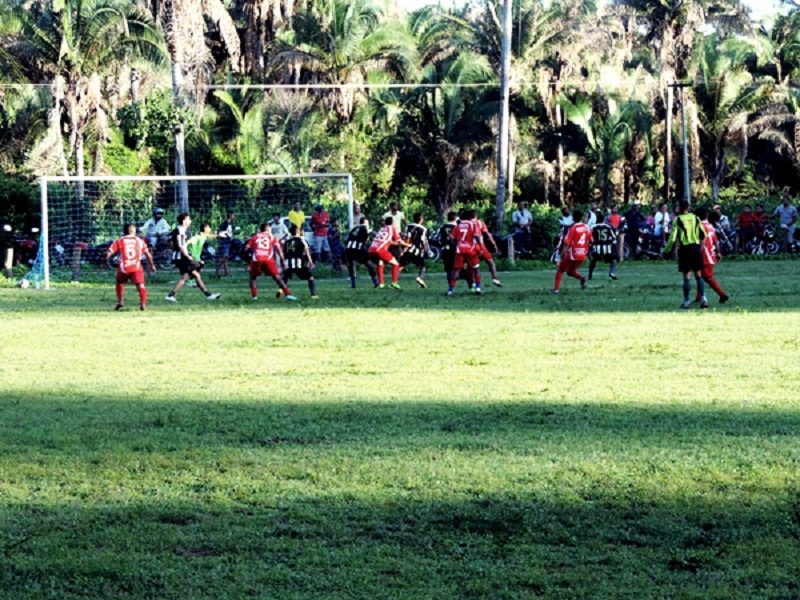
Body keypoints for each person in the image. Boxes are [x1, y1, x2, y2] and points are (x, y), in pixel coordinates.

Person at [165, 213, 221, 303]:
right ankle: (170, 295)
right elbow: (182, 246)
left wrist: (174, 249)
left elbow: (167, 240)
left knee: (195, 275)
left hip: (178, 256)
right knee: (186, 276)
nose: (190, 221)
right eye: (188, 219)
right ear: (184, 221)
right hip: (182, 256)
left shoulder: (177, 230)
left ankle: (208, 295)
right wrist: (189, 257)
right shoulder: (181, 231)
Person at [662, 200, 707, 309]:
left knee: (686, 276)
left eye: (677, 206)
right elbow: (703, 234)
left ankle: (686, 302)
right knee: (698, 275)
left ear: (680, 208)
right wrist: (700, 247)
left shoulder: (677, 220)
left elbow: (672, 238)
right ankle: (704, 299)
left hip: (685, 249)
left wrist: (665, 251)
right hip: (695, 248)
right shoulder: (696, 218)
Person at [105, 223, 156, 311]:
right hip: (136, 267)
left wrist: (105, 259)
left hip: (124, 267)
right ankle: (143, 304)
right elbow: (148, 254)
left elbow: (110, 251)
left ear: (124, 231)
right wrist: (152, 265)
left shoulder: (120, 241)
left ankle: (120, 301)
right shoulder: (140, 241)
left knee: (119, 282)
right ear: (134, 231)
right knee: (141, 285)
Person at [245, 223, 296, 301]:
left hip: (257, 258)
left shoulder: (254, 237)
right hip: (268, 258)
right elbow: (278, 249)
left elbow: (246, 248)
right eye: (270, 228)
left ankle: (254, 297)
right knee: (277, 277)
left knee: (253, 277)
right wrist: (283, 261)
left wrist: (248, 261)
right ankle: (288, 294)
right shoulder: (272, 237)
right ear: (267, 229)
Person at [552, 209, 590, 295]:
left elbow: (566, 244)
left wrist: (560, 257)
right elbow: (590, 240)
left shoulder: (572, 228)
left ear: (573, 218)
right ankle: (582, 278)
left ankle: (556, 290)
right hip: (582, 254)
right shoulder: (586, 228)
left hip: (572, 254)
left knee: (560, 269)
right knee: (570, 272)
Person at [696, 207, 729, 304]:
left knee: (707, 277)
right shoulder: (710, 226)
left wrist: (697, 253)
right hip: (711, 254)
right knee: (700, 276)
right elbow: (716, 241)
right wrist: (718, 252)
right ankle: (698, 297)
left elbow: (701, 241)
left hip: (704, 254)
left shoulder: (699, 226)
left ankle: (722, 294)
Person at [448, 209, 483, 296]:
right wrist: (481, 247)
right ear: (471, 217)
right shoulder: (473, 225)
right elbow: (477, 236)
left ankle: (451, 290)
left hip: (460, 249)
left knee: (456, 270)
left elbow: (451, 237)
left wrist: (456, 244)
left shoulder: (458, 226)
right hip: (471, 249)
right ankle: (478, 288)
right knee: (476, 268)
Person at [368, 216, 410, 289]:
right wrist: (408, 245)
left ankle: (381, 284)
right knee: (396, 263)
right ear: (393, 222)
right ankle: (394, 282)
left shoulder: (382, 229)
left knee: (380, 263)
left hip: (371, 249)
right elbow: (399, 241)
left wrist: (395, 243)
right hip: (380, 249)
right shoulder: (391, 229)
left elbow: (388, 241)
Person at [283, 224, 318, 299]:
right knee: (310, 277)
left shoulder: (287, 242)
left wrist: (283, 264)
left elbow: (284, 254)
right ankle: (313, 294)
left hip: (287, 263)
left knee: (285, 278)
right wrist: (310, 261)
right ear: (298, 231)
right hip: (298, 263)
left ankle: (280, 293)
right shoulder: (302, 240)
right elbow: (306, 250)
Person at [345, 217, 379, 288]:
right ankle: (375, 282)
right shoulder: (365, 228)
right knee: (369, 264)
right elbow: (374, 233)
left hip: (349, 248)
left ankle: (353, 283)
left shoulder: (354, 228)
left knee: (351, 265)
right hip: (359, 248)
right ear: (365, 222)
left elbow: (346, 238)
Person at [400, 213, 430, 289]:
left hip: (409, 248)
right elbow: (423, 240)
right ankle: (420, 278)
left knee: (401, 265)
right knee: (422, 267)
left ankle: (394, 280)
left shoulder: (408, 226)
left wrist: (404, 248)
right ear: (421, 220)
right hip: (418, 250)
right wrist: (426, 250)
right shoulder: (423, 229)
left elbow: (406, 237)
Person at [475, 216, 503, 287]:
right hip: (481, 246)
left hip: (469, 247)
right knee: (490, 262)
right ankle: (495, 278)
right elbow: (487, 234)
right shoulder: (480, 223)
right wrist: (493, 244)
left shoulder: (462, 223)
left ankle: (474, 284)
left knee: (473, 266)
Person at [438, 211, 459, 290]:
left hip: (445, 250)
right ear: (455, 218)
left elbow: (440, 239)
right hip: (455, 250)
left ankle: (450, 286)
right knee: (456, 268)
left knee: (448, 269)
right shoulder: (457, 227)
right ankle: (472, 284)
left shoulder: (443, 227)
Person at [215, 211, 235, 277]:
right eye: (233, 215)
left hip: (227, 242)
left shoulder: (229, 224)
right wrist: (222, 237)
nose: (234, 216)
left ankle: (226, 272)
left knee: (226, 258)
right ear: (230, 216)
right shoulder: (225, 223)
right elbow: (219, 231)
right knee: (224, 257)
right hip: (224, 243)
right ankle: (218, 270)